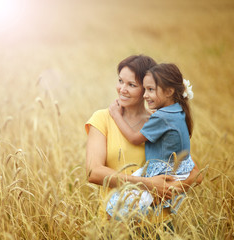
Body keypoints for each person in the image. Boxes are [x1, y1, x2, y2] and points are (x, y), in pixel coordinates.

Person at [85, 55, 202, 225]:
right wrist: (148, 184)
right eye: (120, 81)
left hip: (160, 225)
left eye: (131, 85)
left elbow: (195, 172)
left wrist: (169, 190)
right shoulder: (103, 118)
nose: (122, 89)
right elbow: (93, 172)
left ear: (148, 88)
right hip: (117, 227)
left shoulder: (160, 121)